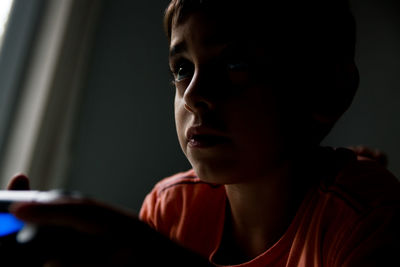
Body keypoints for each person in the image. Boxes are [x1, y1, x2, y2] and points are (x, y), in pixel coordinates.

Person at [5, 0, 399, 266]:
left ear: (324, 91)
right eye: (181, 69)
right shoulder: (171, 207)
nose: (193, 95)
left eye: (233, 65)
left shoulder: (367, 222)